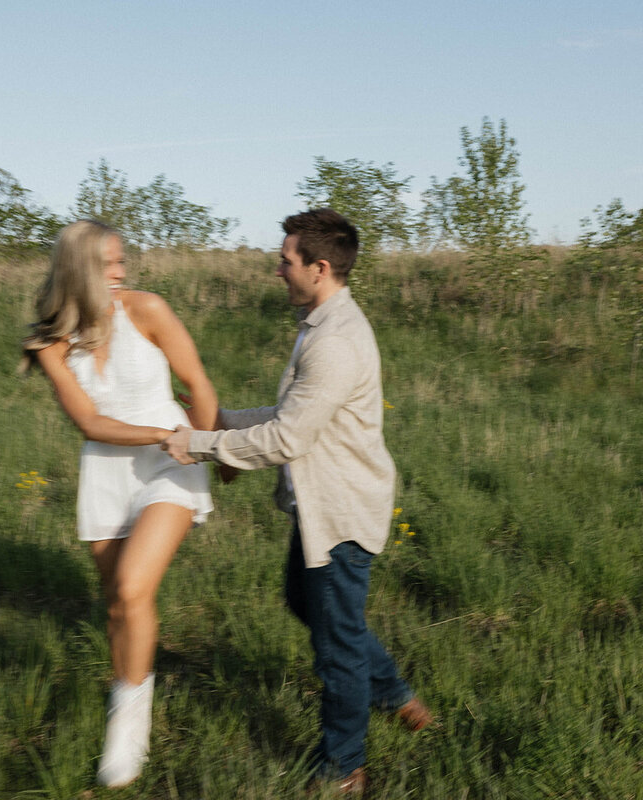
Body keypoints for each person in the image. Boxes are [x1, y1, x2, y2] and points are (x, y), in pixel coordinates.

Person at [161, 208, 432, 795]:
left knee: (336, 647)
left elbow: (286, 439)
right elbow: (292, 417)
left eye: (285, 261)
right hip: (321, 507)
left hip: (340, 513)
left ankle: (344, 768)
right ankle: (396, 696)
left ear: (320, 267)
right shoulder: (320, 323)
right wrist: (221, 421)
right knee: (309, 606)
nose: (277, 269)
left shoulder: (334, 342)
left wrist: (202, 445)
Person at [22, 219, 216, 787]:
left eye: (122, 261)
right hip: (109, 470)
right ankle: (128, 687)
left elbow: (199, 385)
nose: (121, 272)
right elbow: (90, 422)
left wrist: (207, 450)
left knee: (133, 586)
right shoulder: (50, 342)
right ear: (77, 269)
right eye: (109, 263)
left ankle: (128, 725)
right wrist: (159, 434)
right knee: (116, 604)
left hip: (170, 466)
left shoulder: (148, 310)